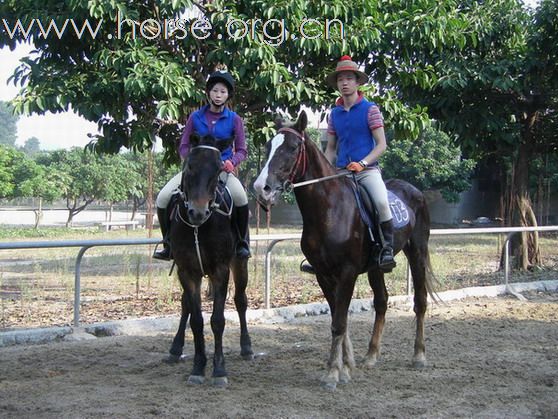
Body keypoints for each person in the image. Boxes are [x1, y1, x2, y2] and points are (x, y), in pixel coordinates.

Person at [302, 55, 396, 273]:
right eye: (340, 79)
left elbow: (381, 145)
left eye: (349, 79)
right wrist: (325, 168)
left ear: (357, 82)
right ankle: (320, 255)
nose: (344, 83)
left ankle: (386, 249)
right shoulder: (334, 114)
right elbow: (332, 148)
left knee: (381, 202)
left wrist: (362, 163)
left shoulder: (370, 109)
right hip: (341, 171)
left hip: (367, 171)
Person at [153, 69, 251, 260]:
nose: (218, 94)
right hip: (195, 171)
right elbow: (183, 145)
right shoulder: (195, 117)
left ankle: (241, 243)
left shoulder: (235, 120)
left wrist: (232, 162)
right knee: (163, 197)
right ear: (208, 92)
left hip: (221, 170)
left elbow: (242, 150)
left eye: (223, 91)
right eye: (215, 90)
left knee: (240, 197)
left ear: (228, 95)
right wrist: (189, 161)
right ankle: (168, 244)